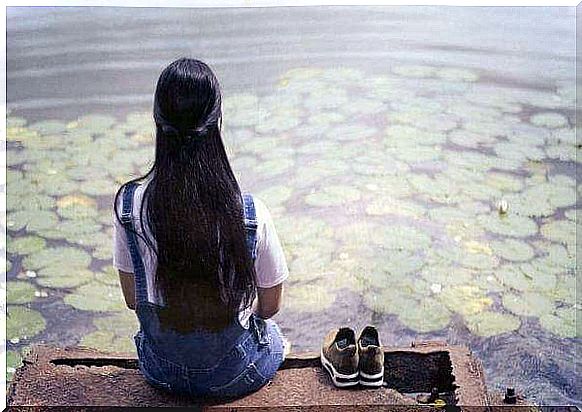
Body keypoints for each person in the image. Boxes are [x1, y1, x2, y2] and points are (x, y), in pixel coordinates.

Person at [112, 57, 289, 399]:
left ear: (157, 120)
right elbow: (269, 307)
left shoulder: (129, 206)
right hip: (231, 377)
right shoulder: (249, 213)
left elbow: (133, 299)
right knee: (275, 337)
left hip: (161, 372)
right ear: (216, 121)